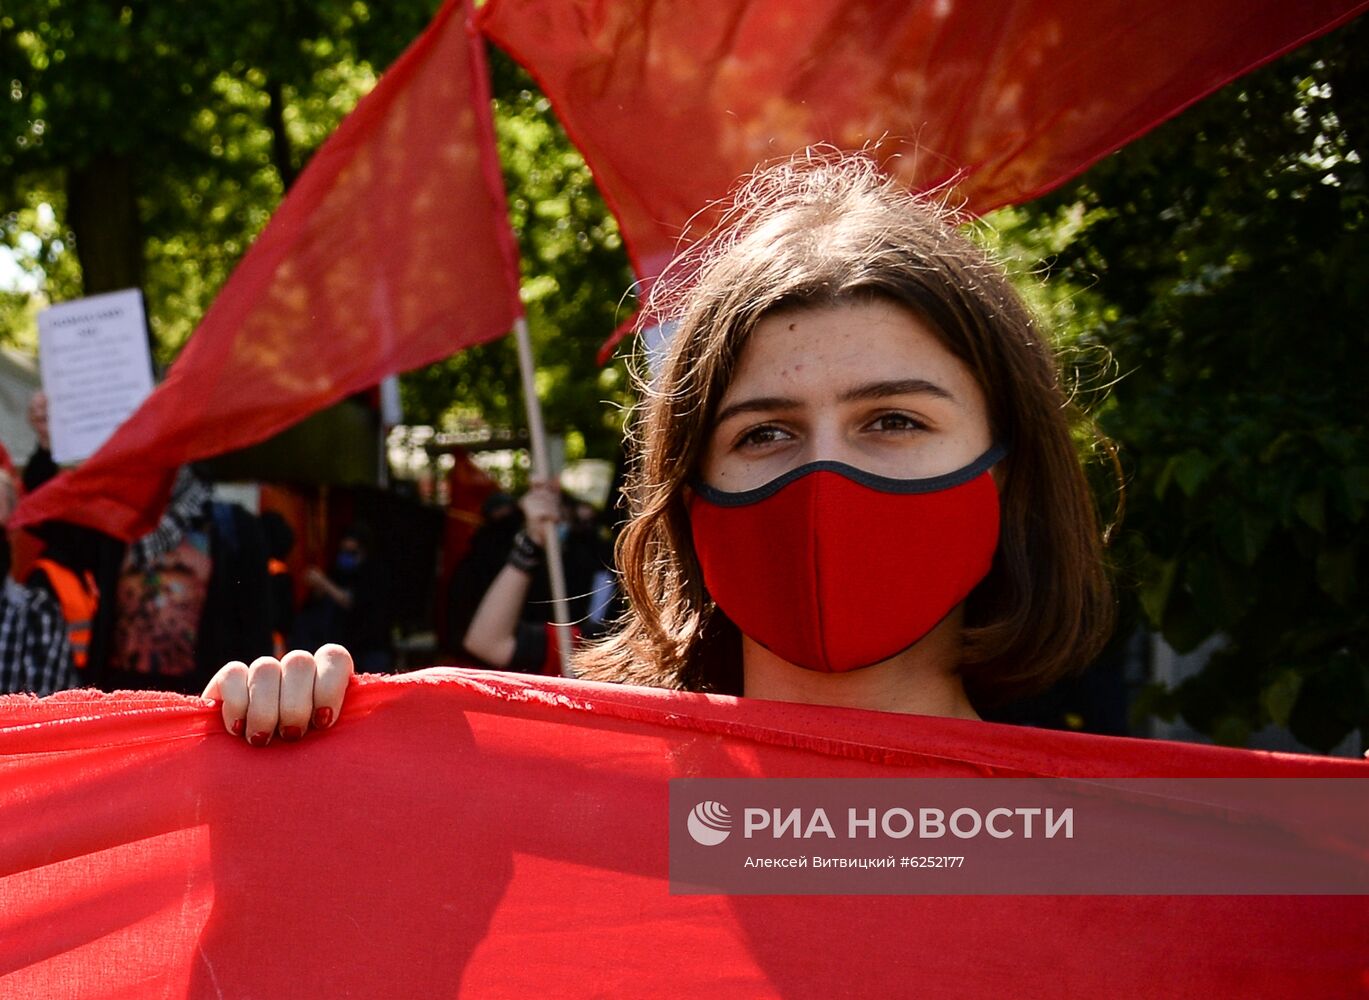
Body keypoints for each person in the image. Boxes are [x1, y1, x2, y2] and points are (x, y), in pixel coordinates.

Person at [203, 150, 1113, 741]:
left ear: (1009, 468)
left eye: (893, 421)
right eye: (764, 433)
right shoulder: (566, 818)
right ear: (687, 494)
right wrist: (293, 793)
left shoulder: (1122, 863)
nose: (824, 476)